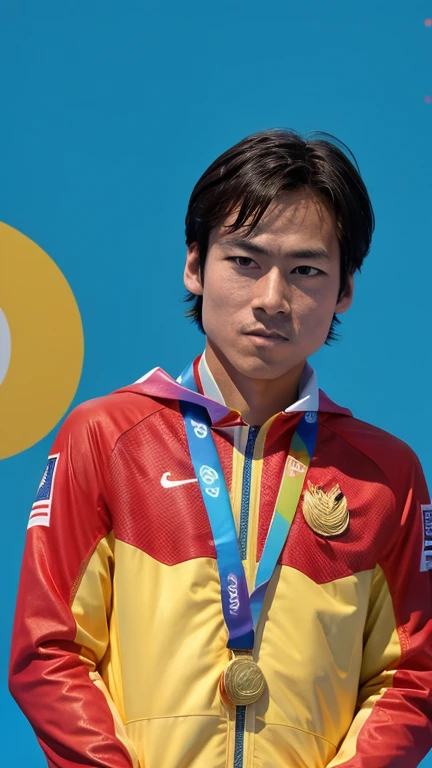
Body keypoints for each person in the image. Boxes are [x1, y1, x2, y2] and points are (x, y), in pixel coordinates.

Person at [9, 128, 432, 768]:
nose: (272, 298)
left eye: (307, 271)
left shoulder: (387, 475)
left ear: (345, 289)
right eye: (244, 261)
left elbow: (410, 682)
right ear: (194, 265)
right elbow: (50, 652)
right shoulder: (105, 436)